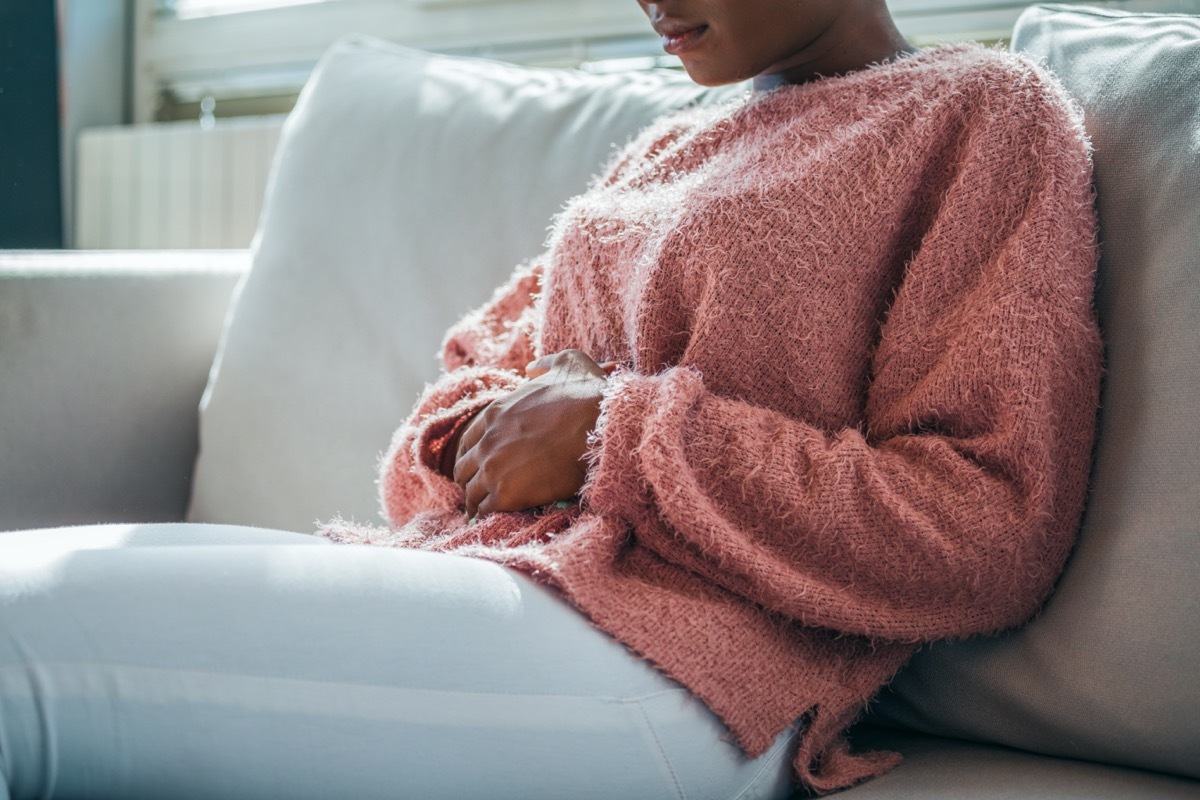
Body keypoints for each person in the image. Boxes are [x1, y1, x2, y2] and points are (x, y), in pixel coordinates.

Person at [0, 1, 1102, 798]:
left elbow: (989, 521)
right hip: (496, 580)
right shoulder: (666, 146)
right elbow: (470, 385)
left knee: (26, 649)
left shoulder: (980, 114)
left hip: (693, 670)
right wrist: (495, 433)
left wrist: (607, 434)